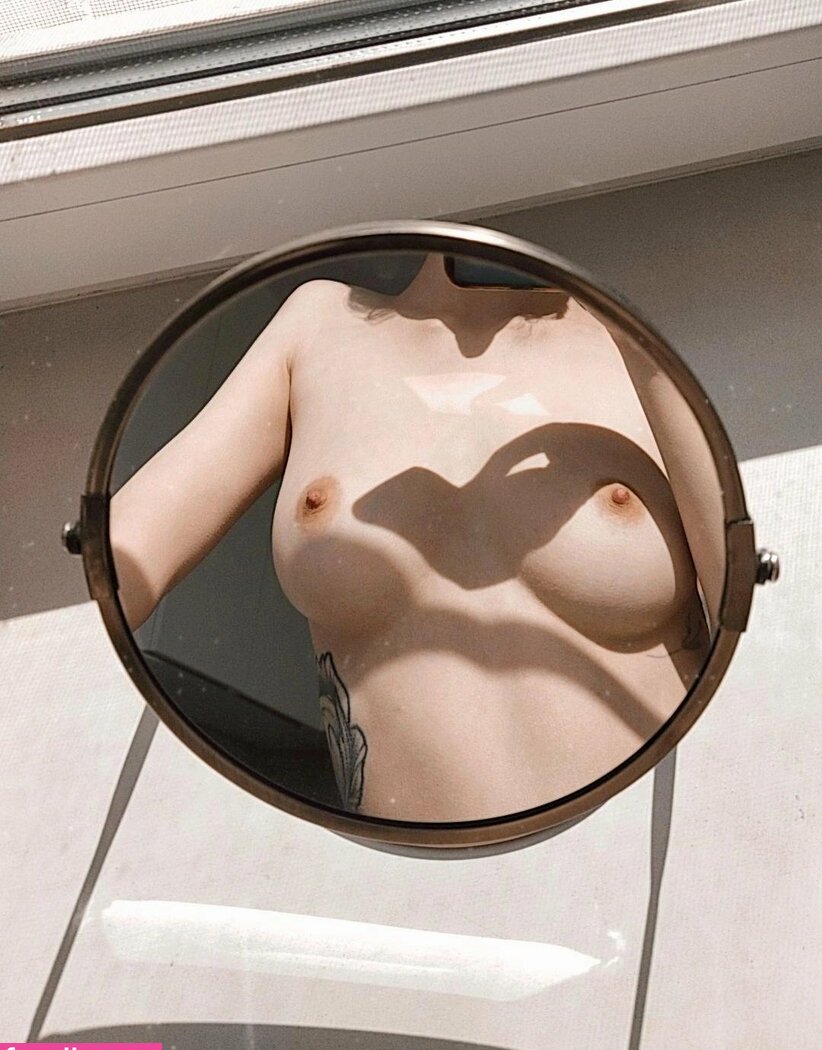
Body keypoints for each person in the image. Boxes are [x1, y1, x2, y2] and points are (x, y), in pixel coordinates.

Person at [110, 253, 722, 821]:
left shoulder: (634, 334)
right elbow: (112, 566)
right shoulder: (317, 327)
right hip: (398, 887)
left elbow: (751, 611)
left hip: (658, 880)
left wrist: (635, 340)